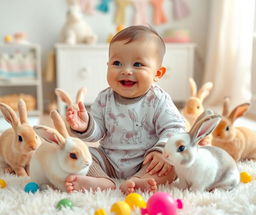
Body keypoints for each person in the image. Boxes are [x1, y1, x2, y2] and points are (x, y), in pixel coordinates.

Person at [64, 25, 186, 194]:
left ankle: (139, 181)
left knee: (170, 166)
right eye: (117, 63)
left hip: (147, 161)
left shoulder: (158, 100)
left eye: (137, 64)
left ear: (158, 73)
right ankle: (101, 180)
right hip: (108, 160)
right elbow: (97, 132)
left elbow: (175, 128)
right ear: (108, 65)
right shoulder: (104, 98)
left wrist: (161, 151)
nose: (126, 71)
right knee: (81, 153)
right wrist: (85, 125)